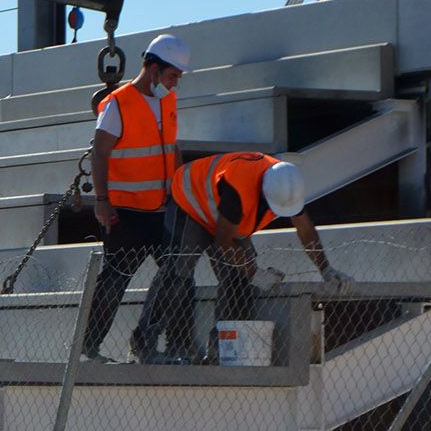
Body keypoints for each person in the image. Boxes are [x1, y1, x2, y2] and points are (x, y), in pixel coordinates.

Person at [141, 153, 344, 364]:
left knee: (237, 280)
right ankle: (145, 343)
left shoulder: (287, 184)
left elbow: (305, 229)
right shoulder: (239, 188)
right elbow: (222, 241)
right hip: (191, 201)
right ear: (264, 193)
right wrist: (254, 271)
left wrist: (325, 269)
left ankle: (221, 350)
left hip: (224, 216)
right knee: (178, 271)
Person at [81, 33, 191, 363]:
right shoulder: (119, 103)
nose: (175, 85)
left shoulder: (167, 100)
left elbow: (172, 147)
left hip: (160, 210)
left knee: (178, 275)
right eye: (172, 76)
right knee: (114, 281)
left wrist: (181, 188)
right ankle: (88, 349)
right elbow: (100, 153)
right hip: (125, 212)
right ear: (153, 68)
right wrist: (102, 200)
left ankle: (169, 345)